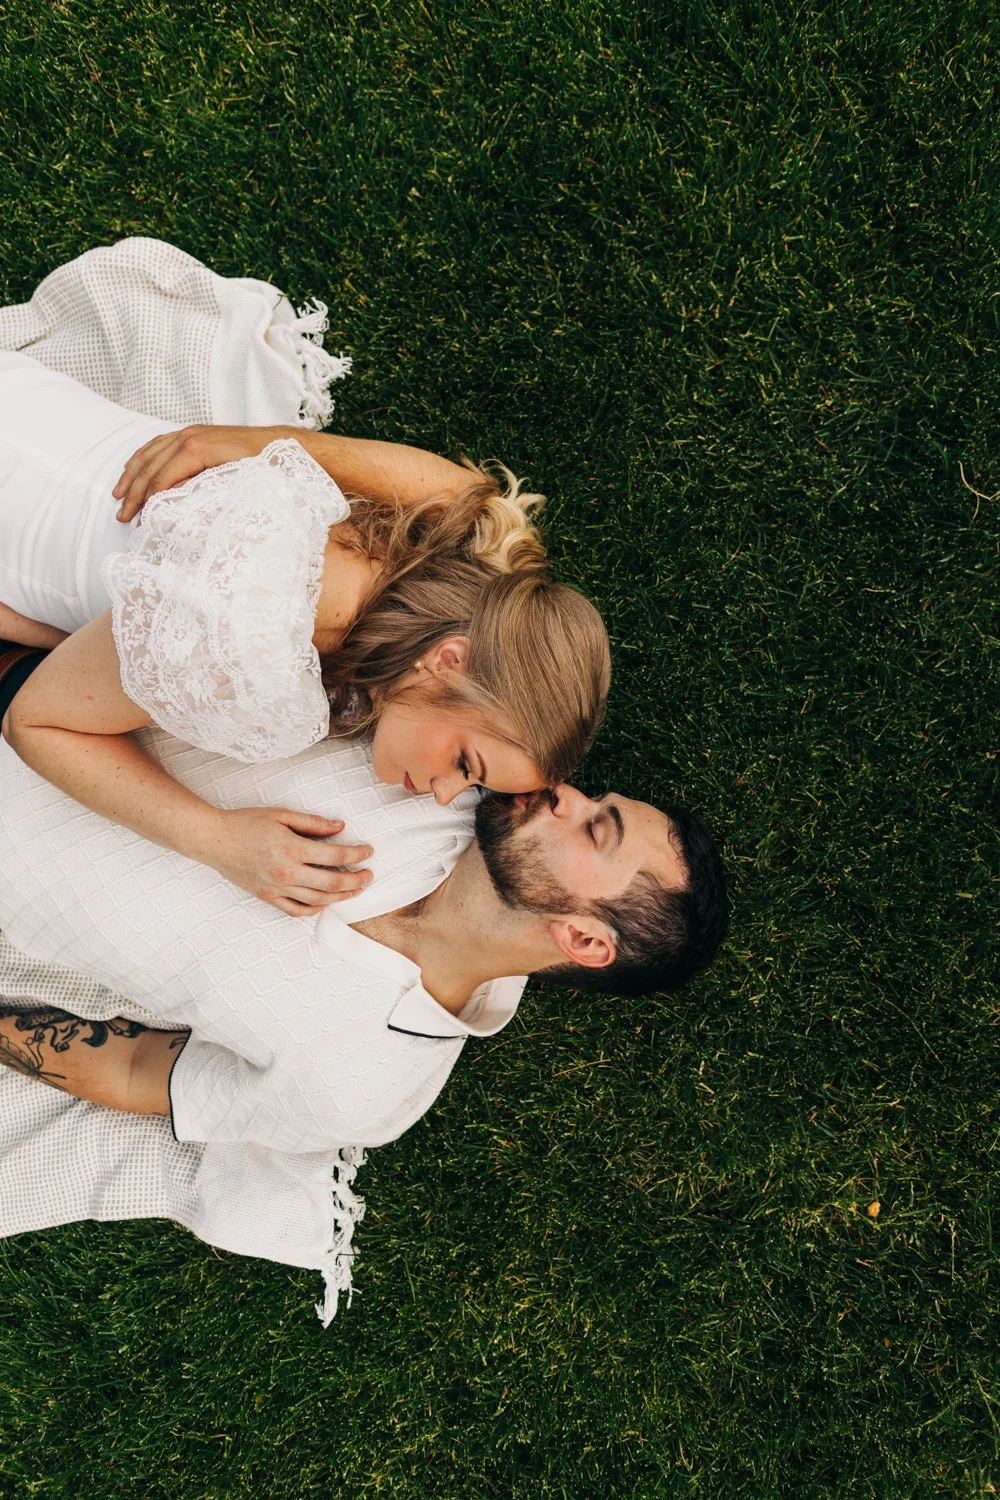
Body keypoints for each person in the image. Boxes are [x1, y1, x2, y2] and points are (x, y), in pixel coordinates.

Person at [0, 687, 726, 1317]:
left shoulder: (370, 1086)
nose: (567, 794)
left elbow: (136, 1071)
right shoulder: (425, 770)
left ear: (583, 939)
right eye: (596, 801)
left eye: (596, 826)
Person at [0, 352, 610, 915]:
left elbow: (458, 489)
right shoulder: (258, 633)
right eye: (464, 763)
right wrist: (215, 838)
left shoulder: (446, 524)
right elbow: (35, 720)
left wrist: (245, 442)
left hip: (32, 405)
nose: (445, 796)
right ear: (448, 659)